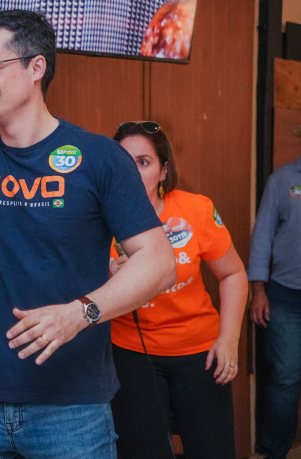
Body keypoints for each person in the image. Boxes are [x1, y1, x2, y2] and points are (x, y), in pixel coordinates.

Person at [0, 9, 176, 458]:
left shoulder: (99, 158)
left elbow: (159, 262)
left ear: (36, 67)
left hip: (72, 407)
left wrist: (79, 313)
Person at [109, 121, 247, 458]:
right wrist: (108, 274)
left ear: (163, 170)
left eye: (143, 162)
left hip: (199, 351)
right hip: (131, 353)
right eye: (125, 162)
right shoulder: (97, 216)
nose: (133, 171)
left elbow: (233, 274)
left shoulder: (195, 209)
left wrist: (228, 339)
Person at [249, 153, 301, 459]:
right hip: (284, 296)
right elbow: (263, 235)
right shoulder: (282, 180)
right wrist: (259, 289)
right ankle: (274, 451)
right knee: (285, 375)